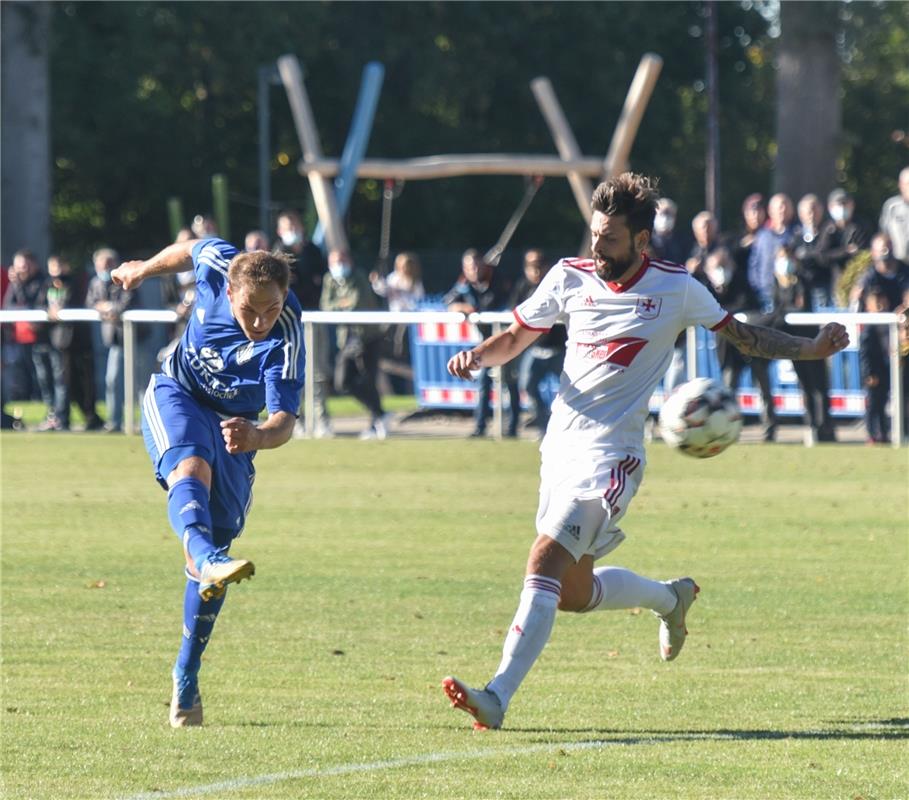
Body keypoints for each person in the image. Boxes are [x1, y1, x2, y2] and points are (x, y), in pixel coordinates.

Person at [440, 173, 849, 731]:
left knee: (543, 561)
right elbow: (515, 336)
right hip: (559, 446)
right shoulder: (569, 276)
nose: (597, 248)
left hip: (613, 455)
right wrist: (476, 356)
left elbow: (743, 336)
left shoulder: (676, 286)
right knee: (571, 592)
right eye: (594, 235)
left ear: (640, 242)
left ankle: (497, 695)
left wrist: (810, 347)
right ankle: (669, 599)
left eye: (609, 240)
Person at [110, 237, 304, 727]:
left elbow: (284, 420)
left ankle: (186, 675)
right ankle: (205, 554)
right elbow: (189, 248)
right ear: (229, 290)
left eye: (271, 309)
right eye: (249, 310)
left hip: (237, 427)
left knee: (214, 556)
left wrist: (256, 436)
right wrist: (142, 268)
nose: (260, 322)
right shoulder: (219, 264)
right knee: (191, 465)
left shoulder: (286, 334)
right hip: (177, 392)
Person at [763, 244, 836, 443]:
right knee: (805, 384)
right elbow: (778, 308)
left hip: (810, 339)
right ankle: (811, 424)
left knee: (818, 384)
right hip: (794, 343)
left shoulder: (801, 279)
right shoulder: (776, 282)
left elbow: (800, 306)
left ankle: (825, 427)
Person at [444, 249, 520, 437]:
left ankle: (512, 427)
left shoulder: (500, 280)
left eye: (477, 265)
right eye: (469, 267)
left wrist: (477, 309)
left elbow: (507, 305)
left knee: (510, 383)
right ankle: (480, 426)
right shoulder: (464, 284)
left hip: (505, 339)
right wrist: (461, 307)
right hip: (485, 343)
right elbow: (448, 302)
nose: (474, 270)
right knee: (484, 383)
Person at [274, 209, 331, 437]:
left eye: (295, 225)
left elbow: (320, 282)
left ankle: (321, 420)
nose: (293, 231)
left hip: (314, 318)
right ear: (280, 231)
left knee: (317, 370)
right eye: (288, 227)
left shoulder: (313, 251)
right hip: (288, 322)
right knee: (289, 371)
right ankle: (293, 420)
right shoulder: (277, 254)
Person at [321, 248, 388, 439]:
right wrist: (342, 305)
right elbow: (326, 305)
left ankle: (376, 421)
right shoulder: (329, 279)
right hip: (347, 339)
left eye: (342, 260)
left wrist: (340, 306)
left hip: (367, 336)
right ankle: (380, 413)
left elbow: (356, 303)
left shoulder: (358, 277)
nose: (339, 266)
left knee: (369, 378)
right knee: (342, 381)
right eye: (335, 262)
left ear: (349, 260)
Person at [43, 255, 104, 431]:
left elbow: (78, 302)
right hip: (59, 341)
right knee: (64, 382)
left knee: (84, 382)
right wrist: (49, 310)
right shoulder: (47, 285)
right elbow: (41, 304)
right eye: (53, 266)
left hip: (79, 340)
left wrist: (61, 309)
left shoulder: (76, 283)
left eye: (60, 265)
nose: (57, 270)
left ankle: (91, 417)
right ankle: (63, 418)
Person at [510, 250, 566, 437]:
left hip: (560, 349)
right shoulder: (523, 288)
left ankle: (567, 427)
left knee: (572, 390)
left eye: (539, 265)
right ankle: (544, 423)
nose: (535, 271)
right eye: (530, 267)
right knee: (527, 386)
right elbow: (516, 314)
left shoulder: (559, 287)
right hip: (535, 349)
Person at [86, 247, 134, 432]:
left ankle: (123, 422)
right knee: (112, 380)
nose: (105, 269)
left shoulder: (126, 281)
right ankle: (114, 422)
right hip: (110, 339)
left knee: (137, 384)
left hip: (133, 338)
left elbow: (125, 303)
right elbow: (90, 302)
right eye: (101, 265)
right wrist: (104, 307)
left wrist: (111, 307)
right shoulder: (95, 283)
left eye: (108, 265)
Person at [370, 251, 426, 394]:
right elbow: (383, 289)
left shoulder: (415, 283)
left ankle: (401, 358)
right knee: (385, 337)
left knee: (402, 343)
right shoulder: (394, 278)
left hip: (408, 321)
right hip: (394, 318)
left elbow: (417, 301)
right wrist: (377, 281)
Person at [816, 189, 871, 300]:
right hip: (833, 282)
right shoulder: (828, 229)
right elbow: (822, 256)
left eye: (845, 204)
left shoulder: (860, 226)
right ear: (830, 207)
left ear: (852, 205)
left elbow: (863, 254)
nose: (842, 207)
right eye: (838, 204)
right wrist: (845, 251)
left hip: (857, 281)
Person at [859, 287, 892, 444]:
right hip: (874, 373)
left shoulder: (888, 322)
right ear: (868, 306)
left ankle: (884, 434)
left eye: (881, 300)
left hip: (885, 371)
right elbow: (865, 353)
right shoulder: (869, 327)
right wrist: (869, 374)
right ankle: (872, 435)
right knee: (873, 405)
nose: (879, 305)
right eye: (875, 302)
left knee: (882, 404)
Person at [850, 232, 909, 312]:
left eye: (888, 249)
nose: (886, 253)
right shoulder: (869, 276)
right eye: (882, 251)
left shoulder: (905, 272)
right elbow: (856, 298)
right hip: (876, 320)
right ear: (873, 253)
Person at [794, 194, 832, 309]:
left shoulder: (828, 231)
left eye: (815, 210)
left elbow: (826, 257)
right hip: (803, 287)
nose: (812, 215)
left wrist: (808, 255)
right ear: (801, 214)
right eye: (809, 211)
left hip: (824, 284)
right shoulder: (796, 236)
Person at [879, 167, 909, 262]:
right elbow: (883, 234)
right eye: (908, 184)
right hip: (898, 264)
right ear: (900, 185)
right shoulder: (892, 206)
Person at [648, 198, 689, 264]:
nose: (665, 217)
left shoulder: (683, 241)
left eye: (669, 214)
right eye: (662, 214)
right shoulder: (647, 240)